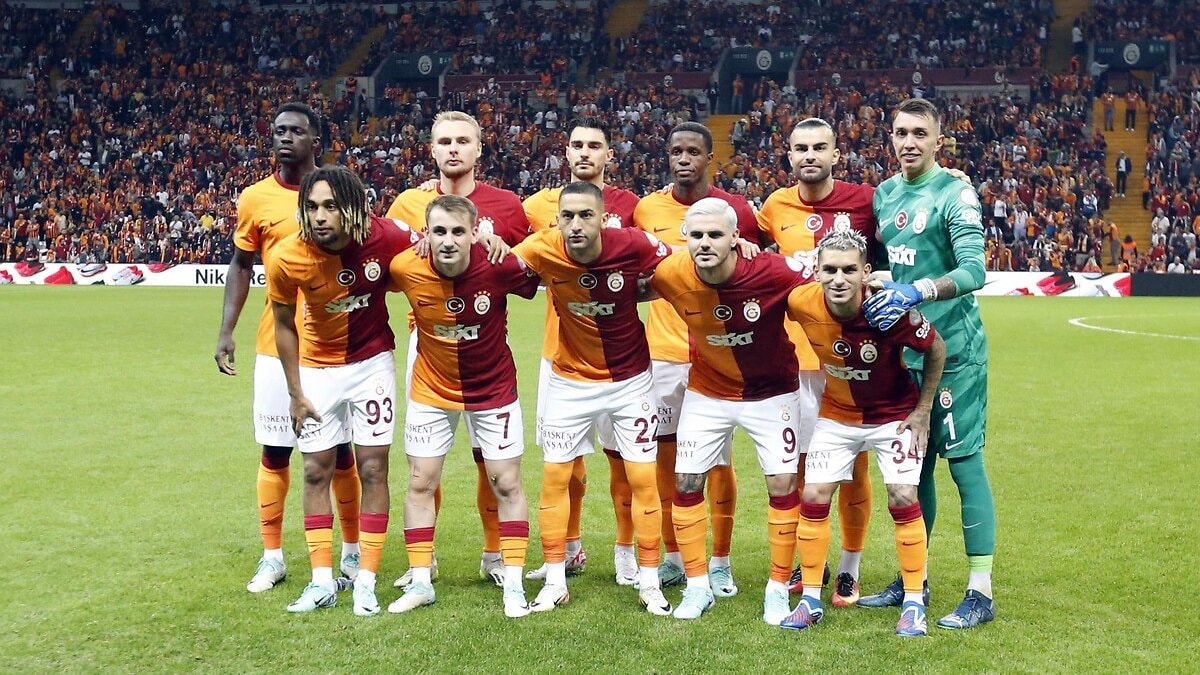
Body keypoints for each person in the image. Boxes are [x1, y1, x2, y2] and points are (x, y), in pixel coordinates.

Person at [213, 103, 363, 595]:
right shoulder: (255, 198)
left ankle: (351, 552)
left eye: (296, 131)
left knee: (340, 454)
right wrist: (226, 330)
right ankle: (272, 556)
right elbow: (241, 265)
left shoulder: (339, 191)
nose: (285, 138)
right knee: (276, 449)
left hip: (336, 346)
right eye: (278, 130)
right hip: (275, 346)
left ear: (316, 139)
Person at [861, 98, 996, 630]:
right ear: (891, 139)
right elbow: (881, 258)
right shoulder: (884, 194)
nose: (909, 142)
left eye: (920, 133)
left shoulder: (954, 193)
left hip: (955, 354)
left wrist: (919, 289)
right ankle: (913, 578)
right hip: (905, 355)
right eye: (901, 132)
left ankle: (980, 591)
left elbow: (975, 270)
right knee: (915, 469)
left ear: (939, 141)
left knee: (964, 464)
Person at [511, 181, 673, 615]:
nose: (576, 224)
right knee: (555, 479)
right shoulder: (542, 247)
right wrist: (485, 242)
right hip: (570, 382)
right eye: (568, 216)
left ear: (603, 218)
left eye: (586, 215)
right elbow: (499, 266)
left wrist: (643, 290)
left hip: (631, 382)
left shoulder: (634, 243)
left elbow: (679, 266)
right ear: (557, 220)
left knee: (642, 479)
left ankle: (649, 581)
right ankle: (555, 581)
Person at [266, 166, 420, 616]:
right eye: (312, 206)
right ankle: (321, 583)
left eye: (331, 206)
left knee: (373, 469)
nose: (319, 216)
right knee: (316, 471)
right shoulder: (287, 256)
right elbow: (282, 324)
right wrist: (295, 392)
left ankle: (365, 580)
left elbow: (429, 245)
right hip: (317, 370)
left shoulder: (386, 235)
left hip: (372, 365)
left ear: (353, 208)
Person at [386, 110, 530, 590]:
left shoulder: (507, 205)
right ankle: (422, 563)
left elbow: (529, 266)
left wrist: (501, 247)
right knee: (425, 465)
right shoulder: (408, 203)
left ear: (478, 149)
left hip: (484, 345)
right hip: (427, 345)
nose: (453, 148)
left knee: (491, 463)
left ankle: (495, 554)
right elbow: (387, 263)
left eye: (463, 141)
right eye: (444, 140)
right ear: (431, 149)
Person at [647, 197, 808, 623]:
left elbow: (823, 284)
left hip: (772, 393)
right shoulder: (671, 273)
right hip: (708, 392)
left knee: (782, 484)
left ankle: (777, 589)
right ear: (685, 236)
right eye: (697, 235)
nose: (705, 243)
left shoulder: (772, 271)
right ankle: (697, 586)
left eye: (715, 235)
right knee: (686, 481)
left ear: (736, 237)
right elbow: (631, 282)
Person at [780, 229, 946, 638]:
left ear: (866, 272)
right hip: (838, 415)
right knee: (813, 495)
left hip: (894, 416)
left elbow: (936, 347)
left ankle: (913, 603)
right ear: (816, 272)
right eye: (830, 270)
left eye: (849, 270)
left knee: (903, 496)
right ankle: (811, 600)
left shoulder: (889, 309)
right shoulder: (800, 301)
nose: (839, 279)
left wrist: (923, 410)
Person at [756, 117, 878, 605]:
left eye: (819, 147)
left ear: (835, 155)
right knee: (806, 469)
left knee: (856, 469)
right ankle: (813, 562)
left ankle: (850, 567)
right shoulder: (773, 207)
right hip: (794, 359)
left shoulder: (866, 201)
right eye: (801, 148)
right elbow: (742, 244)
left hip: (850, 359)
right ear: (789, 155)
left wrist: (948, 174)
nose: (810, 155)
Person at [634, 122, 759, 596]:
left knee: (718, 461)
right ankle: (674, 556)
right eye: (676, 151)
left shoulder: (736, 210)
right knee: (667, 461)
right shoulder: (647, 209)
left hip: (717, 354)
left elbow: (756, 263)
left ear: (710, 158)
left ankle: (721, 561)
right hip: (663, 355)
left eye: (693, 152)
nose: (683, 159)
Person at [522, 117, 641, 586]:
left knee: (622, 460)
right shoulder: (537, 206)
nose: (585, 152)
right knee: (563, 462)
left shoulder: (632, 207)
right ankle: (569, 549)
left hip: (619, 357)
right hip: (560, 353)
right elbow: (502, 248)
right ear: (566, 153)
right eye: (577, 145)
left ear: (610, 154)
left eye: (595, 145)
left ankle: (626, 550)